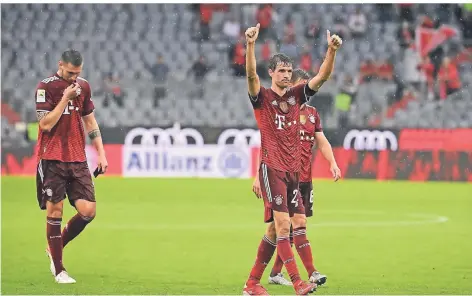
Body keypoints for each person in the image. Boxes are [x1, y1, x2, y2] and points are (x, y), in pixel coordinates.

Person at [242, 23, 342, 295]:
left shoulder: (298, 96)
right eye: (281, 71)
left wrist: (331, 51)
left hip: (293, 172)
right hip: (271, 167)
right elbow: (250, 74)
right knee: (284, 224)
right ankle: (298, 281)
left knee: (277, 230)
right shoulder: (262, 97)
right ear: (271, 73)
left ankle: (252, 283)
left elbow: (322, 77)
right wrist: (250, 45)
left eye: (289, 70)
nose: (286, 75)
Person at [35, 49, 108, 284]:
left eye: (77, 73)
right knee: (54, 211)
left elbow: (90, 120)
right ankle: (59, 270)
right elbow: (45, 125)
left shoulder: (83, 87)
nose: (73, 77)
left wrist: (101, 153)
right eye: (70, 72)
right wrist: (65, 98)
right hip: (52, 158)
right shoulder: (45, 88)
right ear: (60, 65)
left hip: (77, 159)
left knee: (88, 211)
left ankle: (54, 246)